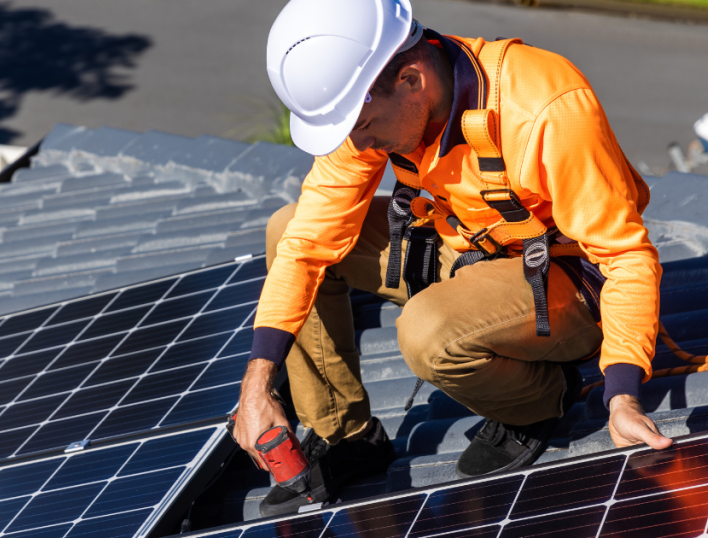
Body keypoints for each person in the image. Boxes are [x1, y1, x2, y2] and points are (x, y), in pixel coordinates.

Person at [233, 0, 673, 517]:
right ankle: (345, 434)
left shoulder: (547, 106)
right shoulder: (372, 107)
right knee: (286, 228)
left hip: (567, 280)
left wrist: (621, 395)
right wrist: (258, 380)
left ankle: (536, 402)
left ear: (413, 80)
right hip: (469, 249)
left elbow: (623, 258)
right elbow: (305, 244)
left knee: (427, 331)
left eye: (365, 123)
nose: (358, 143)